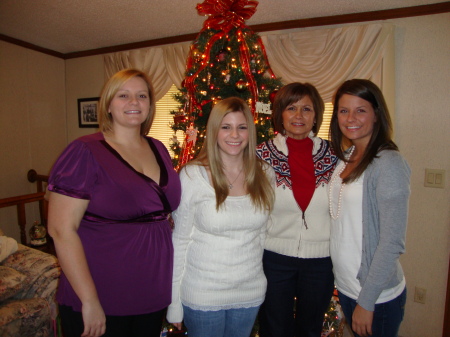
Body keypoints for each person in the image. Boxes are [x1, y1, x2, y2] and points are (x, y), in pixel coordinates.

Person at [47, 69, 181, 337]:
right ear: (108, 104)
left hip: (152, 288)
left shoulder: (158, 148)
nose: (134, 102)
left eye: (142, 95)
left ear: (150, 104)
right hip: (103, 290)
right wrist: (89, 300)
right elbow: (61, 230)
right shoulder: (84, 151)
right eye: (124, 95)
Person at [166, 97, 275, 337]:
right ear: (214, 131)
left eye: (242, 127)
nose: (234, 135)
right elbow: (180, 241)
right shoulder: (193, 176)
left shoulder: (264, 173)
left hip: (249, 291)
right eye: (226, 127)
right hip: (203, 294)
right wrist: (174, 303)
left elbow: (261, 233)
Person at [328, 79, 410, 337]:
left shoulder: (388, 163)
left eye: (360, 110)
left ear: (376, 115)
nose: (350, 118)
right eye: (343, 110)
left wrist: (367, 300)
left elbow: (392, 241)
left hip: (376, 297)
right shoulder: (348, 156)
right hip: (347, 288)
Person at [256, 82, 338, 337]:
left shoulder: (336, 156)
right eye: (291, 108)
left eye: (306, 109)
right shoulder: (260, 155)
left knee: (309, 330)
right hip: (274, 258)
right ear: (280, 113)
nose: (299, 116)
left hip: (320, 260)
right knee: (274, 329)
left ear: (316, 116)